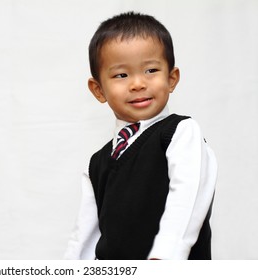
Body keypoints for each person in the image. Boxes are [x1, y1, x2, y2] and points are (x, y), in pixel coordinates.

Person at [65, 11, 217, 260]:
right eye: (121, 75)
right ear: (98, 89)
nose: (137, 83)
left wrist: (165, 257)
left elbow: (189, 197)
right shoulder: (96, 163)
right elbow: (84, 235)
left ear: (171, 78)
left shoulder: (179, 133)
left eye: (150, 70)